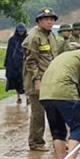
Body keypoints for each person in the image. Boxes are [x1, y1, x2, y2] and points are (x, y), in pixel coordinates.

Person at [23, 8, 59, 151]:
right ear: (39, 21)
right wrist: (37, 80)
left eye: (52, 19)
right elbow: (30, 62)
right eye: (46, 19)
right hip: (36, 82)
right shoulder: (34, 37)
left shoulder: (51, 35)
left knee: (53, 110)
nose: (50, 22)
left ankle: (58, 140)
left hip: (49, 79)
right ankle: (36, 142)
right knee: (38, 113)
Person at [4, 23, 27, 104]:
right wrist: (7, 64)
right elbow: (9, 53)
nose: (21, 33)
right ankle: (18, 97)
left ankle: (27, 97)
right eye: (19, 31)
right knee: (16, 81)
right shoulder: (12, 40)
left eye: (22, 31)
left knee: (26, 81)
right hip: (15, 64)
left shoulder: (28, 39)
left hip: (25, 63)